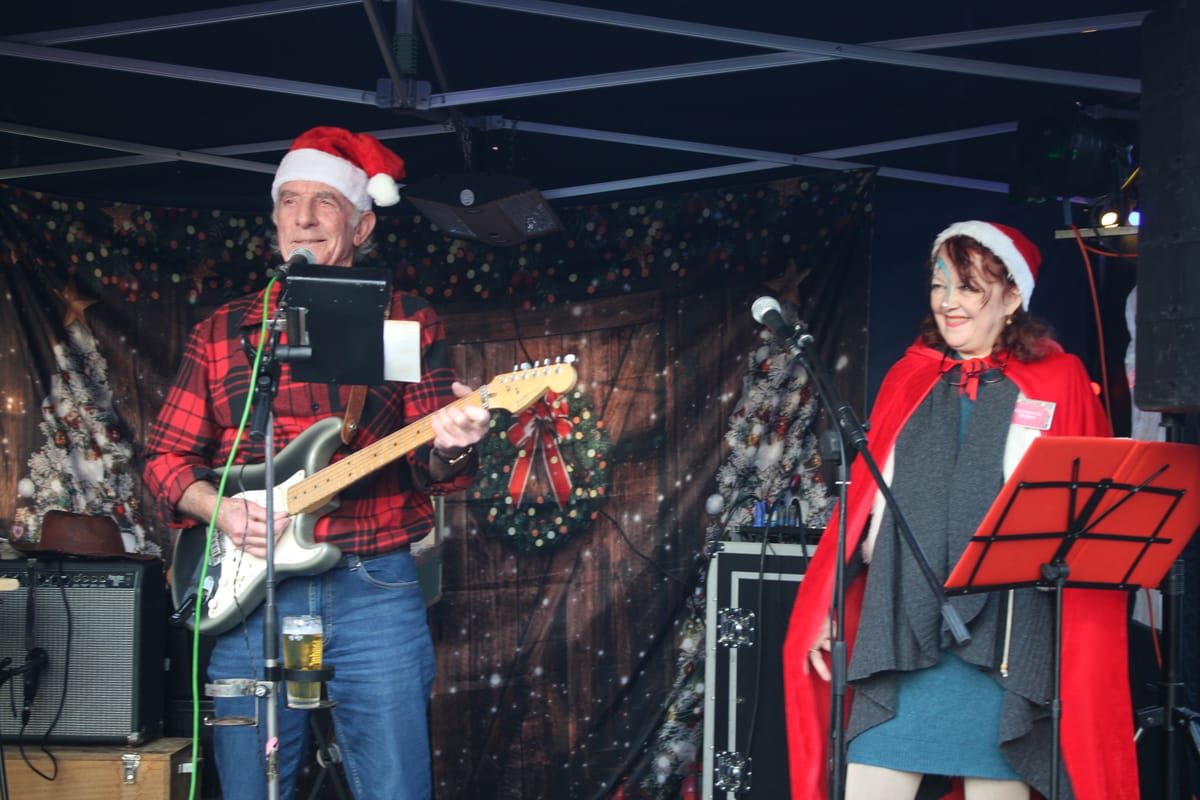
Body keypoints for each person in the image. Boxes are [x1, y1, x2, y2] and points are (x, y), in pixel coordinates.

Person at [143, 126, 491, 800]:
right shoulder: (223, 331)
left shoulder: (404, 319)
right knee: (250, 788)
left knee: (394, 788)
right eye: (289, 201)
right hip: (249, 594)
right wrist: (221, 511)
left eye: (325, 204)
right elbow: (163, 460)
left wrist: (453, 440)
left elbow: (432, 461)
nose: (303, 218)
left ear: (361, 225)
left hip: (373, 589)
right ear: (273, 217)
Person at [782, 221, 1139, 800]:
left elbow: (1089, 518)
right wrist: (831, 606)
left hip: (1005, 644)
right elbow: (871, 511)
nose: (948, 302)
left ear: (1013, 297)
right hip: (899, 635)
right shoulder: (910, 376)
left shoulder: (1059, 380)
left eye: (969, 287)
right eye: (939, 283)